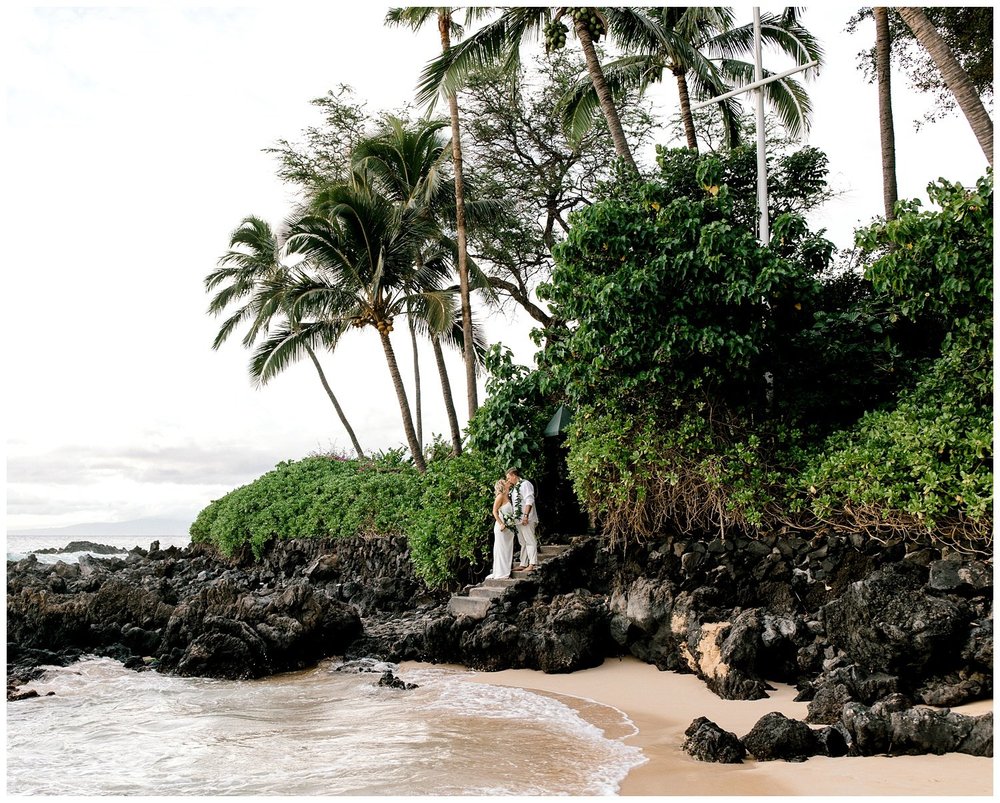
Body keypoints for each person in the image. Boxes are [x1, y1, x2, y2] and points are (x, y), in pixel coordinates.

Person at [506, 467, 538, 572]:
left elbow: (529, 500)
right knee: (522, 542)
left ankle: (532, 563)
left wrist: (525, 515)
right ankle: (523, 563)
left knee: (530, 540)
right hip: (518, 519)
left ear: (514, 476)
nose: (508, 480)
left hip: (526, 518)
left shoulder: (525, 484)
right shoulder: (514, 488)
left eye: (509, 478)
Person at [486, 478, 515, 580]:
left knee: (507, 549)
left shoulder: (509, 496)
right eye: (506, 482)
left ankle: (505, 570)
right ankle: (501, 573)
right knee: (501, 549)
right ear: (503, 485)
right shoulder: (500, 496)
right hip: (501, 527)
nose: (508, 482)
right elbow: (494, 511)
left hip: (509, 529)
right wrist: (501, 523)